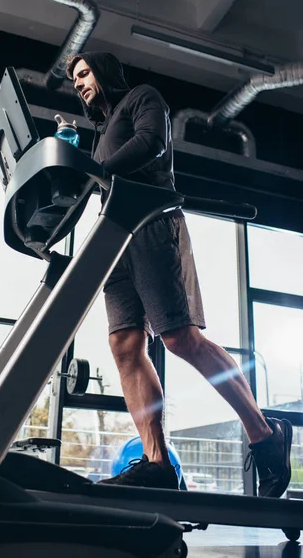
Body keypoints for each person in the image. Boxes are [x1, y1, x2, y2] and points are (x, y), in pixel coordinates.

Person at [66, 51, 292, 497]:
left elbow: (151, 142)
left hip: (151, 222)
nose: (79, 83)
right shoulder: (98, 136)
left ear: (105, 69)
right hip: (115, 238)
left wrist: (95, 170)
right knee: (124, 345)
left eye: (84, 72)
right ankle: (157, 463)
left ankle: (265, 435)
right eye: (74, 79)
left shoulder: (141, 99)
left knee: (178, 338)